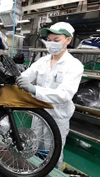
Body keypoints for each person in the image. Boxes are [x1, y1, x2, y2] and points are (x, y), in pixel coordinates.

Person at [15, 22, 84, 169]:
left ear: (68, 40)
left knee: (53, 152)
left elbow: (64, 94)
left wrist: (34, 90)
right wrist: (19, 78)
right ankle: (34, 170)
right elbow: (27, 74)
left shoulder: (74, 65)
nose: (51, 43)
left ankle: (54, 173)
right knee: (33, 145)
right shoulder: (43, 61)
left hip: (57, 115)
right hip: (39, 112)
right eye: (49, 40)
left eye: (56, 40)